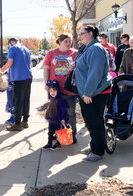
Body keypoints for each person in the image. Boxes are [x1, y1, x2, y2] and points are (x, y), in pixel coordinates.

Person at [75, 25, 111, 162]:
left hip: (94, 93)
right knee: (90, 121)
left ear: (91, 34)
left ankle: (97, 152)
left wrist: (88, 92)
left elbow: (95, 73)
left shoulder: (95, 49)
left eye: (82, 34)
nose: (80, 37)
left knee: (95, 122)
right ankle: (94, 146)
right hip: (87, 92)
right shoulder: (88, 48)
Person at [42, 33, 78, 143]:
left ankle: (71, 135)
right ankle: (56, 134)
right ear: (60, 42)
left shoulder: (75, 53)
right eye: (66, 41)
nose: (68, 43)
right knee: (55, 112)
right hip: (55, 88)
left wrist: (75, 67)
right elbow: (46, 69)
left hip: (70, 88)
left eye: (70, 41)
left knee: (70, 112)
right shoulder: (51, 53)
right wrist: (46, 84)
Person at [0, 37, 33, 131]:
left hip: (19, 78)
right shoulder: (27, 49)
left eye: (9, 44)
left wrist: (2, 70)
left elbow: (10, 62)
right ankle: (25, 121)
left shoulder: (13, 48)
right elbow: (30, 64)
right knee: (26, 99)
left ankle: (17, 123)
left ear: (11, 42)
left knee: (18, 101)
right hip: (28, 77)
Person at [42, 80, 69, 151]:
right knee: (50, 132)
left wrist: (63, 119)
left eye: (54, 91)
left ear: (58, 91)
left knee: (58, 132)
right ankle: (49, 143)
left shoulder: (61, 100)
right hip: (52, 118)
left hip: (58, 120)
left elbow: (64, 111)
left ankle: (58, 143)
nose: (52, 93)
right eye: (51, 91)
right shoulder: (52, 98)